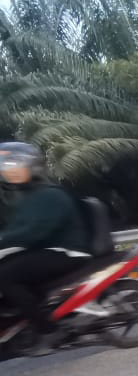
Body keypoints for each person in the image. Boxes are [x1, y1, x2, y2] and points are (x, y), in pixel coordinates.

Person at [0, 142, 91, 355]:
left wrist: (4, 241)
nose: (10, 171)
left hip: (66, 252)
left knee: (5, 277)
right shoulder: (29, 196)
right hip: (49, 249)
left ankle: (47, 329)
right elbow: (18, 228)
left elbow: (33, 231)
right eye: (6, 167)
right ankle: (25, 317)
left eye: (15, 165)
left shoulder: (50, 195)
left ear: (32, 166)